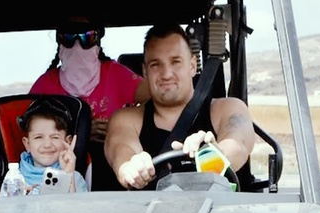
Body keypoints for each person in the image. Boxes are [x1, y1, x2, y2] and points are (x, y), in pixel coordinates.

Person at [105, 24, 255, 190]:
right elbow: (121, 149)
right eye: (156, 65)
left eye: (175, 62)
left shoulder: (227, 109)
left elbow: (237, 144)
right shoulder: (127, 119)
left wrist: (213, 154)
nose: (167, 74)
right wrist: (130, 168)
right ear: (145, 72)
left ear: (192, 66)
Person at [30, 17, 150, 190]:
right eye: (69, 37)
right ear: (60, 42)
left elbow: (155, 96)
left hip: (114, 166)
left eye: (87, 36)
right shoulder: (45, 85)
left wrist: (123, 124)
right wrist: (81, 131)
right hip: (62, 173)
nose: (78, 45)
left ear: (98, 42)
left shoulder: (116, 74)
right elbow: (30, 129)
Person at [2, 98, 89, 196]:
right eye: (39, 137)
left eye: (55, 137)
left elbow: (79, 209)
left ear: (67, 142)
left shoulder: (75, 177)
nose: (47, 144)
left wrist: (68, 176)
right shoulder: (13, 180)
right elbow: (3, 210)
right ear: (27, 144)